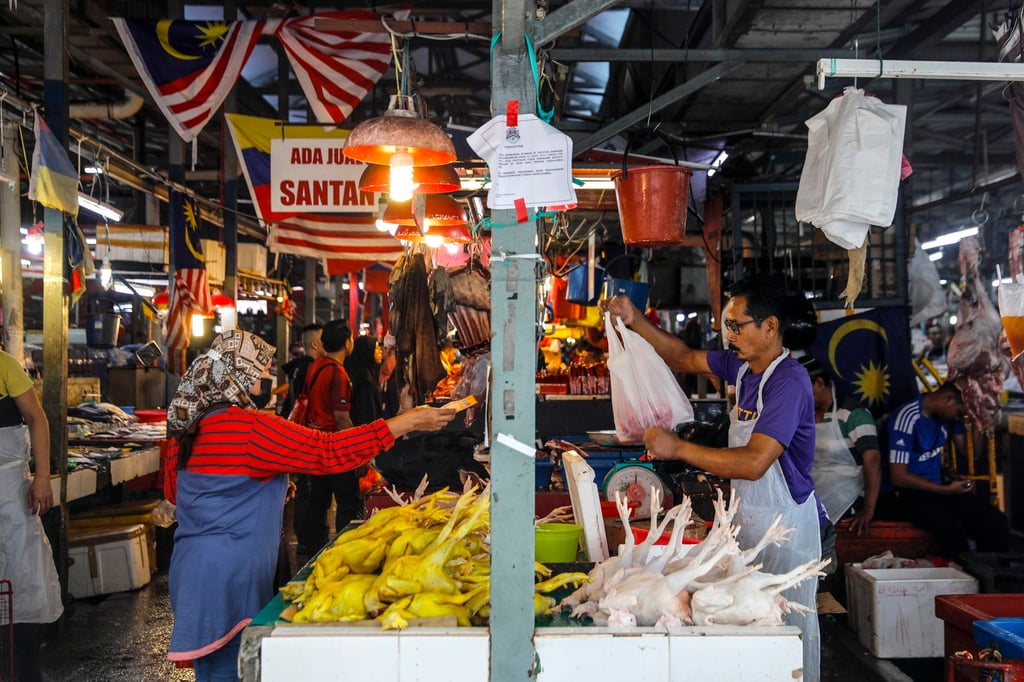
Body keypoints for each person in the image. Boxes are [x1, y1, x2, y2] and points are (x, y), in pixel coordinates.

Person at [163, 329, 455, 680]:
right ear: (237, 374)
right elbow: (327, 451)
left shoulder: (193, 424)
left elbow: (186, 493)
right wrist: (406, 422)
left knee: (213, 672)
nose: (269, 377)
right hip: (229, 578)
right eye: (261, 370)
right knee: (230, 671)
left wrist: (264, 490)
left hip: (194, 573)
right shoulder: (248, 428)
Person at [602, 275, 823, 682]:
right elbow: (683, 356)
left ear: (770, 327)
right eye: (726, 325)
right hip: (749, 518)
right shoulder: (742, 366)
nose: (729, 334)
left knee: (784, 626)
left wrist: (680, 448)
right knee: (743, 624)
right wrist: (635, 320)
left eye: (737, 325)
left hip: (786, 528)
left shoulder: (789, 381)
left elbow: (755, 462)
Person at [888, 382, 1009, 559]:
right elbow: (898, 477)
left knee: (995, 521)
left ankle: (993, 579)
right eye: (960, 412)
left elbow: (972, 454)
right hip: (907, 493)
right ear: (948, 399)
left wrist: (978, 422)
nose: (960, 418)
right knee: (952, 530)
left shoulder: (948, 418)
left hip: (938, 490)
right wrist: (945, 490)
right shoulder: (908, 416)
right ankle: (964, 579)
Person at [0, 348, 63, 682]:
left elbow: (38, 418)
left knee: (22, 578)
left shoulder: (4, 364)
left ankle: (23, 667)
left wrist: (41, 477)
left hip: (10, 492)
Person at [797, 356, 882, 535]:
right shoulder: (802, 416)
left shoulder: (853, 414)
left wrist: (868, 510)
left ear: (819, 383)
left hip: (848, 491)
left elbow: (872, 460)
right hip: (814, 487)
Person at [302, 320, 360, 551]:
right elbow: (341, 417)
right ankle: (344, 548)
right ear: (347, 343)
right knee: (348, 502)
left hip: (313, 443)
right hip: (334, 447)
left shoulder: (315, 366)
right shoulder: (338, 373)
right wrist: (359, 447)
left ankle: (314, 548)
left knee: (318, 501)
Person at [278, 323, 323, 419]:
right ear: (314, 344)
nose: (327, 344)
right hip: (304, 427)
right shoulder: (310, 368)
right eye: (324, 341)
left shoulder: (297, 366)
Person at [344, 335, 384, 427]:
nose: (380, 351)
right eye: (377, 348)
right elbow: (367, 416)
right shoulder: (365, 380)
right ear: (368, 351)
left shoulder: (364, 372)